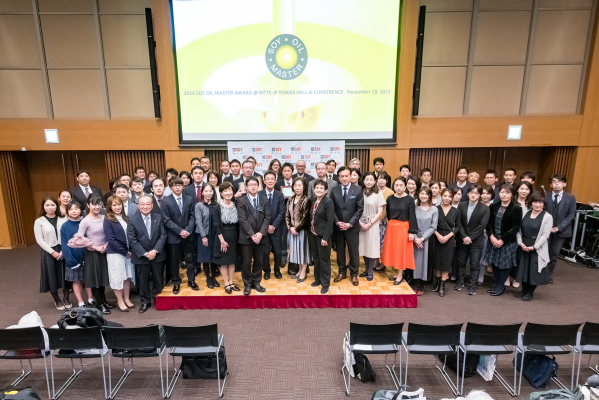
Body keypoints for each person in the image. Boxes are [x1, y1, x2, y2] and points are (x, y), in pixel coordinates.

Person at [68, 194, 113, 314]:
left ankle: (104, 301)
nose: (97, 207)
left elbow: (109, 233)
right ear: (88, 205)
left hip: (104, 251)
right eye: (94, 204)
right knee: (95, 279)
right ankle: (99, 304)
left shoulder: (104, 217)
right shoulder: (85, 221)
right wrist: (96, 247)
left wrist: (106, 244)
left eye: (99, 204)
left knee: (102, 278)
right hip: (92, 253)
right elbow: (79, 239)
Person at [128, 195, 167, 313]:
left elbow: (163, 235)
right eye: (142, 204)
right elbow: (132, 239)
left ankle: (157, 299)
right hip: (141, 256)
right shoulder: (132, 219)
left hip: (157, 254)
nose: (145, 206)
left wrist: (155, 250)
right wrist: (144, 253)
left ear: (152, 205)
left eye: (148, 204)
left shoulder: (158, 217)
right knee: (143, 281)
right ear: (138, 205)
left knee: (158, 279)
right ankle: (145, 301)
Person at [485, 184, 522, 296]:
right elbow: (489, 223)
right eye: (502, 192)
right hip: (494, 239)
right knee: (495, 263)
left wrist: (502, 240)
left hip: (507, 241)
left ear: (512, 194)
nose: (504, 194)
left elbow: (515, 227)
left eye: (507, 192)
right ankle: (497, 284)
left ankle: (500, 286)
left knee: (504, 265)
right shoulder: (493, 206)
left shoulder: (516, 208)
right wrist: (491, 236)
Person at [515, 193, 553, 301]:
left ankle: (530, 293)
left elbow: (545, 235)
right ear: (531, 203)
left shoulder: (547, 217)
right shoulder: (525, 213)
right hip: (523, 245)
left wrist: (535, 247)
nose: (537, 204)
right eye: (535, 202)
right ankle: (523, 290)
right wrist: (520, 242)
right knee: (523, 268)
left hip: (537, 247)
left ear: (544, 204)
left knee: (533, 271)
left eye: (540, 202)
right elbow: (518, 229)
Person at [330, 166, 364, 286]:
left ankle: (354, 274)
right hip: (338, 227)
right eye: (342, 176)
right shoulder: (334, 190)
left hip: (352, 227)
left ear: (350, 176)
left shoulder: (358, 190)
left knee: (353, 252)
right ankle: (342, 272)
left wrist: (350, 223)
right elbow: (331, 208)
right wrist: (337, 222)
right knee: (340, 251)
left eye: (346, 176)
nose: (344, 178)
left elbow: (360, 209)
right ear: (339, 178)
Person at [454, 184, 490, 295]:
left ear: (480, 195)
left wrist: (470, 237)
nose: (473, 195)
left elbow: (482, 225)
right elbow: (458, 223)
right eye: (471, 192)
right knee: (461, 262)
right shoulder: (461, 205)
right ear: (468, 193)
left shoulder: (485, 208)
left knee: (474, 264)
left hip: (476, 241)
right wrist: (464, 236)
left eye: (476, 193)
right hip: (462, 239)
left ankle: (472, 285)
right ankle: (460, 282)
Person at [161, 177, 195, 294]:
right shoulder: (165, 201)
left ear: (183, 186)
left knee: (190, 260)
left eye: (179, 185)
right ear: (170, 187)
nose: (177, 187)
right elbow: (166, 220)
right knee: (174, 261)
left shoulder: (189, 199)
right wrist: (180, 231)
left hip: (188, 236)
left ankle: (191, 280)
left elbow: (192, 216)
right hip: (174, 237)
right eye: (175, 185)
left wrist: (188, 230)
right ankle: (176, 282)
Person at [237, 177, 270, 295]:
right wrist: (252, 235)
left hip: (261, 237)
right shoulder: (241, 201)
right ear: (246, 187)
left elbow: (267, 218)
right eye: (250, 185)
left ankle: (256, 283)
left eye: (255, 184)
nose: (253, 187)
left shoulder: (264, 200)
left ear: (258, 186)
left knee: (259, 261)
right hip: (246, 237)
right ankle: (247, 285)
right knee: (246, 262)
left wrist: (260, 233)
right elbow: (242, 220)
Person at [381, 177, 417, 285]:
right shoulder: (390, 198)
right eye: (396, 185)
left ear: (405, 186)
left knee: (401, 252)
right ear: (393, 186)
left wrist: (412, 231)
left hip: (403, 228)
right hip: (392, 227)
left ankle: (400, 275)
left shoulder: (409, 199)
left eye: (401, 185)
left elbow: (412, 216)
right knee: (394, 251)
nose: (399, 187)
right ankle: (397, 273)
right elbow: (388, 214)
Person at [34, 197, 67, 310]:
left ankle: (66, 298)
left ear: (57, 206)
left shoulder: (63, 218)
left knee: (65, 275)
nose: (50, 207)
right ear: (43, 207)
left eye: (53, 205)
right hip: (49, 251)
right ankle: (57, 299)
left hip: (63, 249)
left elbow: (68, 236)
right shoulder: (39, 221)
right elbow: (39, 240)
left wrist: (64, 250)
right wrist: (52, 252)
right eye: (47, 205)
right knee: (51, 275)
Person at [103, 196, 135, 312]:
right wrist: (124, 251)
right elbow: (110, 239)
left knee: (127, 277)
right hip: (115, 253)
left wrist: (129, 250)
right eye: (114, 205)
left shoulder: (126, 218)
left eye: (119, 204)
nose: (117, 207)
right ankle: (120, 301)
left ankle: (127, 299)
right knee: (118, 278)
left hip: (128, 252)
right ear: (110, 207)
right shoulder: (108, 220)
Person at [543, 174, 576, 282]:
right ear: (550, 184)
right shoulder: (546, 196)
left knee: (554, 253)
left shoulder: (570, 198)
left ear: (564, 184)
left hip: (561, 231)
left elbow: (571, 215)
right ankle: (540, 273)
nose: (556, 184)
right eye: (554, 182)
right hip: (546, 230)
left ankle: (548, 274)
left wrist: (559, 227)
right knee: (543, 252)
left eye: (559, 182)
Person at [61, 201, 91, 307]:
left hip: (87, 255)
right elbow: (64, 245)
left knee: (89, 279)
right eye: (70, 209)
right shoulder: (64, 226)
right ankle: (80, 301)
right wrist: (70, 260)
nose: (73, 211)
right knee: (76, 281)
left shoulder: (86, 222)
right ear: (67, 212)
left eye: (76, 208)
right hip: (73, 258)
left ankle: (91, 299)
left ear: (81, 210)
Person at [308, 179, 335, 294]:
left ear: (325, 190)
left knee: (324, 260)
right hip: (313, 234)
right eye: (317, 188)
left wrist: (325, 238)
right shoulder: (313, 200)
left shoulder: (328, 202)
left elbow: (330, 221)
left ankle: (325, 284)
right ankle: (317, 279)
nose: (319, 190)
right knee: (316, 258)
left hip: (323, 236)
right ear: (314, 189)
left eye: (321, 188)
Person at [358, 172, 386, 281]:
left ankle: (370, 271)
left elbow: (380, 211)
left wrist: (370, 224)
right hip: (361, 223)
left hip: (372, 224)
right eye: (367, 179)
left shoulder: (378, 194)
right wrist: (360, 223)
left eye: (371, 180)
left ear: (375, 181)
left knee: (372, 248)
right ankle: (366, 269)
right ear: (363, 181)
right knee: (364, 247)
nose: (369, 182)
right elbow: (356, 208)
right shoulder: (360, 192)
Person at [213, 182, 240, 294]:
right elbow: (216, 225)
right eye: (225, 191)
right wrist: (222, 240)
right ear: (221, 193)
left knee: (232, 261)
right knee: (224, 262)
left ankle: (232, 282)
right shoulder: (217, 207)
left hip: (234, 236)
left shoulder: (236, 204)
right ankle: (226, 283)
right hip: (222, 236)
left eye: (230, 190)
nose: (228, 193)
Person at [432, 188, 458, 297]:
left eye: (449, 196)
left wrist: (447, 236)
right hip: (436, 236)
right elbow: (431, 224)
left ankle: (442, 285)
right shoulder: (435, 209)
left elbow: (458, 227)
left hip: (449, 238)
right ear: (441, 196)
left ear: (452, 198)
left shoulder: (455, 211)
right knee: (437, 261)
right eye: (445, 196)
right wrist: (438, 235)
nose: (447, 198)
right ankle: (437, 282)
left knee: (446, 262)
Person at [259, 171, 285, 280]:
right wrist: (266, 226)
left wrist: (273, 226)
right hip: (263, 229)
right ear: (264, 181)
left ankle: (277, 270)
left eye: (272, 179)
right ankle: (267, 271)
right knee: (265, 253)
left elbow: (281, 213)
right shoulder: (259, 194)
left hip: (276, 229)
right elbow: (258, 213)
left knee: (278, 252)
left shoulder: (280, 195)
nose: (270, 181)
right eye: (268, 179)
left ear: (275, 181)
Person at [412, 187, 438, 295]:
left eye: (426, 194)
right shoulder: (414, 208)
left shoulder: (434, 209)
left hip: (427, 238)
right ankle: (414, 282)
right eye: (421, 193)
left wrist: (422, 238)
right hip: (414, 237)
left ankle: (422, 284)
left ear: (429, 196)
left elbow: (433, 227)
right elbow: (411, 223)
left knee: (424, 262)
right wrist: (415, 238)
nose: (423, 196)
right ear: (418, 195)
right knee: (415, 261)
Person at [285, 177, 311, 282]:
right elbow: (287, 215)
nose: (297, 188)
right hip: (292, 231)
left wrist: (297, 228)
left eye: (300, 185)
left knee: (303, 252)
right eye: (295, 185)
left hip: (302, 231)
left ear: (304, 187)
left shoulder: (306, 200)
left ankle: (303, 272)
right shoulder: (290, 199)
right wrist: (290, 227)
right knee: (296, 252)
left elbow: (306, 217)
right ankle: (299, 271)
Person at [195, 183, 219, 289]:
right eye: (206, 191)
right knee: (205, 258)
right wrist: (203, 236)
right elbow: (199, 222)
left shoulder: (216, 205)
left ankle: (213, 277)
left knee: (214, 257)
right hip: (204, 235)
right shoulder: (199, 206)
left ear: (213, 192)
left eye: (210, 191)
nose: (208, 193)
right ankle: (208, 278)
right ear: (202, 192)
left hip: (215, 235)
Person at [374, 171, 394, 272]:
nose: (381, 181)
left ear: (386, 180)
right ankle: (376, 261)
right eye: (379, 178)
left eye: (383, 179)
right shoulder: (374, 190)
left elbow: (388, 208)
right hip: (373, 221)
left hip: (383, 222)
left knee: (383, 243)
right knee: (374, 243)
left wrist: (381, 219)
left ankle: (383, 263)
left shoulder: (390, 192)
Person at [477, 185, 496, 284]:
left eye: (488, 193)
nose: (485, 196)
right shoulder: (476, 204)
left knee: (484, 256)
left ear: (491, 195)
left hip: (488, 234)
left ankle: (480, 276)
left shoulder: (494, 207)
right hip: (476, 233)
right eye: (483, 193)